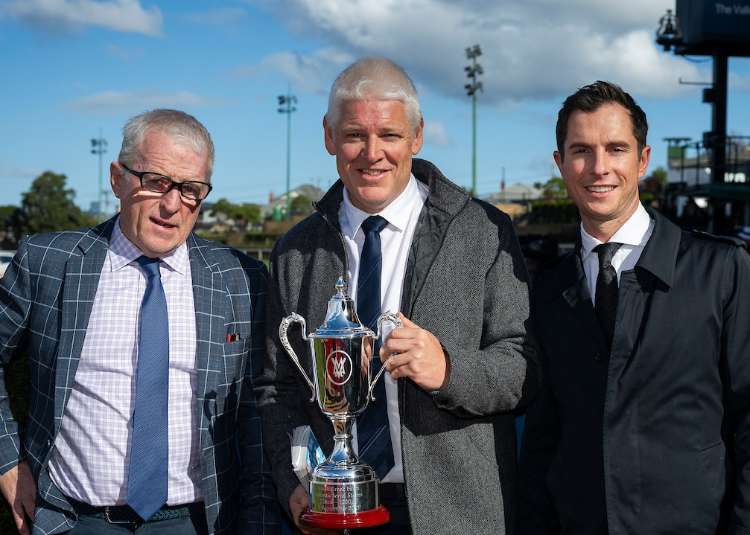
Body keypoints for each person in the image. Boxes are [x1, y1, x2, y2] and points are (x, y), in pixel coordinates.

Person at [256, 57, 537, 535]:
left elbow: (523, 370)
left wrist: (448, 370)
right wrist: (291, 481)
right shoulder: (294, 250)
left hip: (457, 516)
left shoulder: (484, 231)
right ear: (328, 136)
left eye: (389, 134)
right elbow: (275, 387)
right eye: (354, 135)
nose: (373, 154)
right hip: (333, 510)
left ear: (417, 136)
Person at [0, 109, 279, 534]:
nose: (172, 205)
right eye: (156, 182)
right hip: (75, 521)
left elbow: (258, 410)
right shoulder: (47, 262)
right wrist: (7, 461)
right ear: (117, 178)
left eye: (190, 189)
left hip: (197, 523)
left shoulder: (241, 278)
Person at [518, 81, 750, 534]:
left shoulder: (721, 270)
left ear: (642, 160)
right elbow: (543, 439)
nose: (599, 167)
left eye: (616, 149)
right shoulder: (546, 291)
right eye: (581, 150)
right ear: (560, 163)